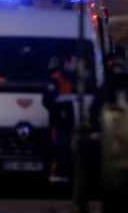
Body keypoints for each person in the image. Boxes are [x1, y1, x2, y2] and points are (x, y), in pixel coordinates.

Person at [42, 55, 77, 186]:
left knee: (65, 150)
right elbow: (47, 100)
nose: (76, 65)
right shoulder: (56, 78)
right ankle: (55, 177)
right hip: (58, 124)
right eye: (74, 62)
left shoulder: (70, 79)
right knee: (58, 149)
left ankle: (63, 177)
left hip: (67, 124)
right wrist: (60, 114)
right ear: (67, 63)